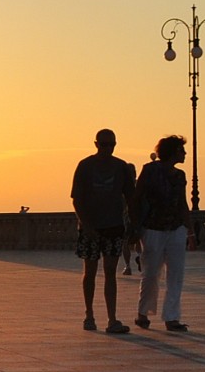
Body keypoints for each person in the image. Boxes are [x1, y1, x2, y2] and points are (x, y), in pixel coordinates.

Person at [70, 128, 137, 334]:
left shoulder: (121, 167)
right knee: (89, 272)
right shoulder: (85, 166)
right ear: (96, 144)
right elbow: (77, 199)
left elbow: (131, 198)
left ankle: (112, 319)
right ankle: (89, 315)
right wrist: (86, 224)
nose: (108, 148)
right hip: (90, 228)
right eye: (104, 144)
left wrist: (134, 225)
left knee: (110, 272)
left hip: (113, 226)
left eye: (112, 144)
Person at [134, 136, 192, 332]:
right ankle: (143, 313)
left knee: (176, 274)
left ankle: (172, 317)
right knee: (151, 273)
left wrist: (189, 231)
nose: (184, 154)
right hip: (152, 228)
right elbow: (137, 197)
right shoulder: (150, 170)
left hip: (176, 229)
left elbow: (183, 203)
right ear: (173, 152)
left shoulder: (180, 175)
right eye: (181, 150)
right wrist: (134, 228)